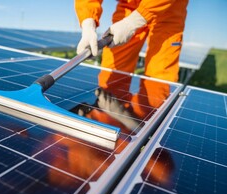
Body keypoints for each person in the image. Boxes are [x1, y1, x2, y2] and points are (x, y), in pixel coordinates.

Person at [74, 0, 189, 129]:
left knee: (158, 80)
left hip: (168, 10)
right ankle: (109, 125)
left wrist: (133, 22)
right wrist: (88, 23)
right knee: (112, 73)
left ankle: (145, 130)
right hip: (128, 7)